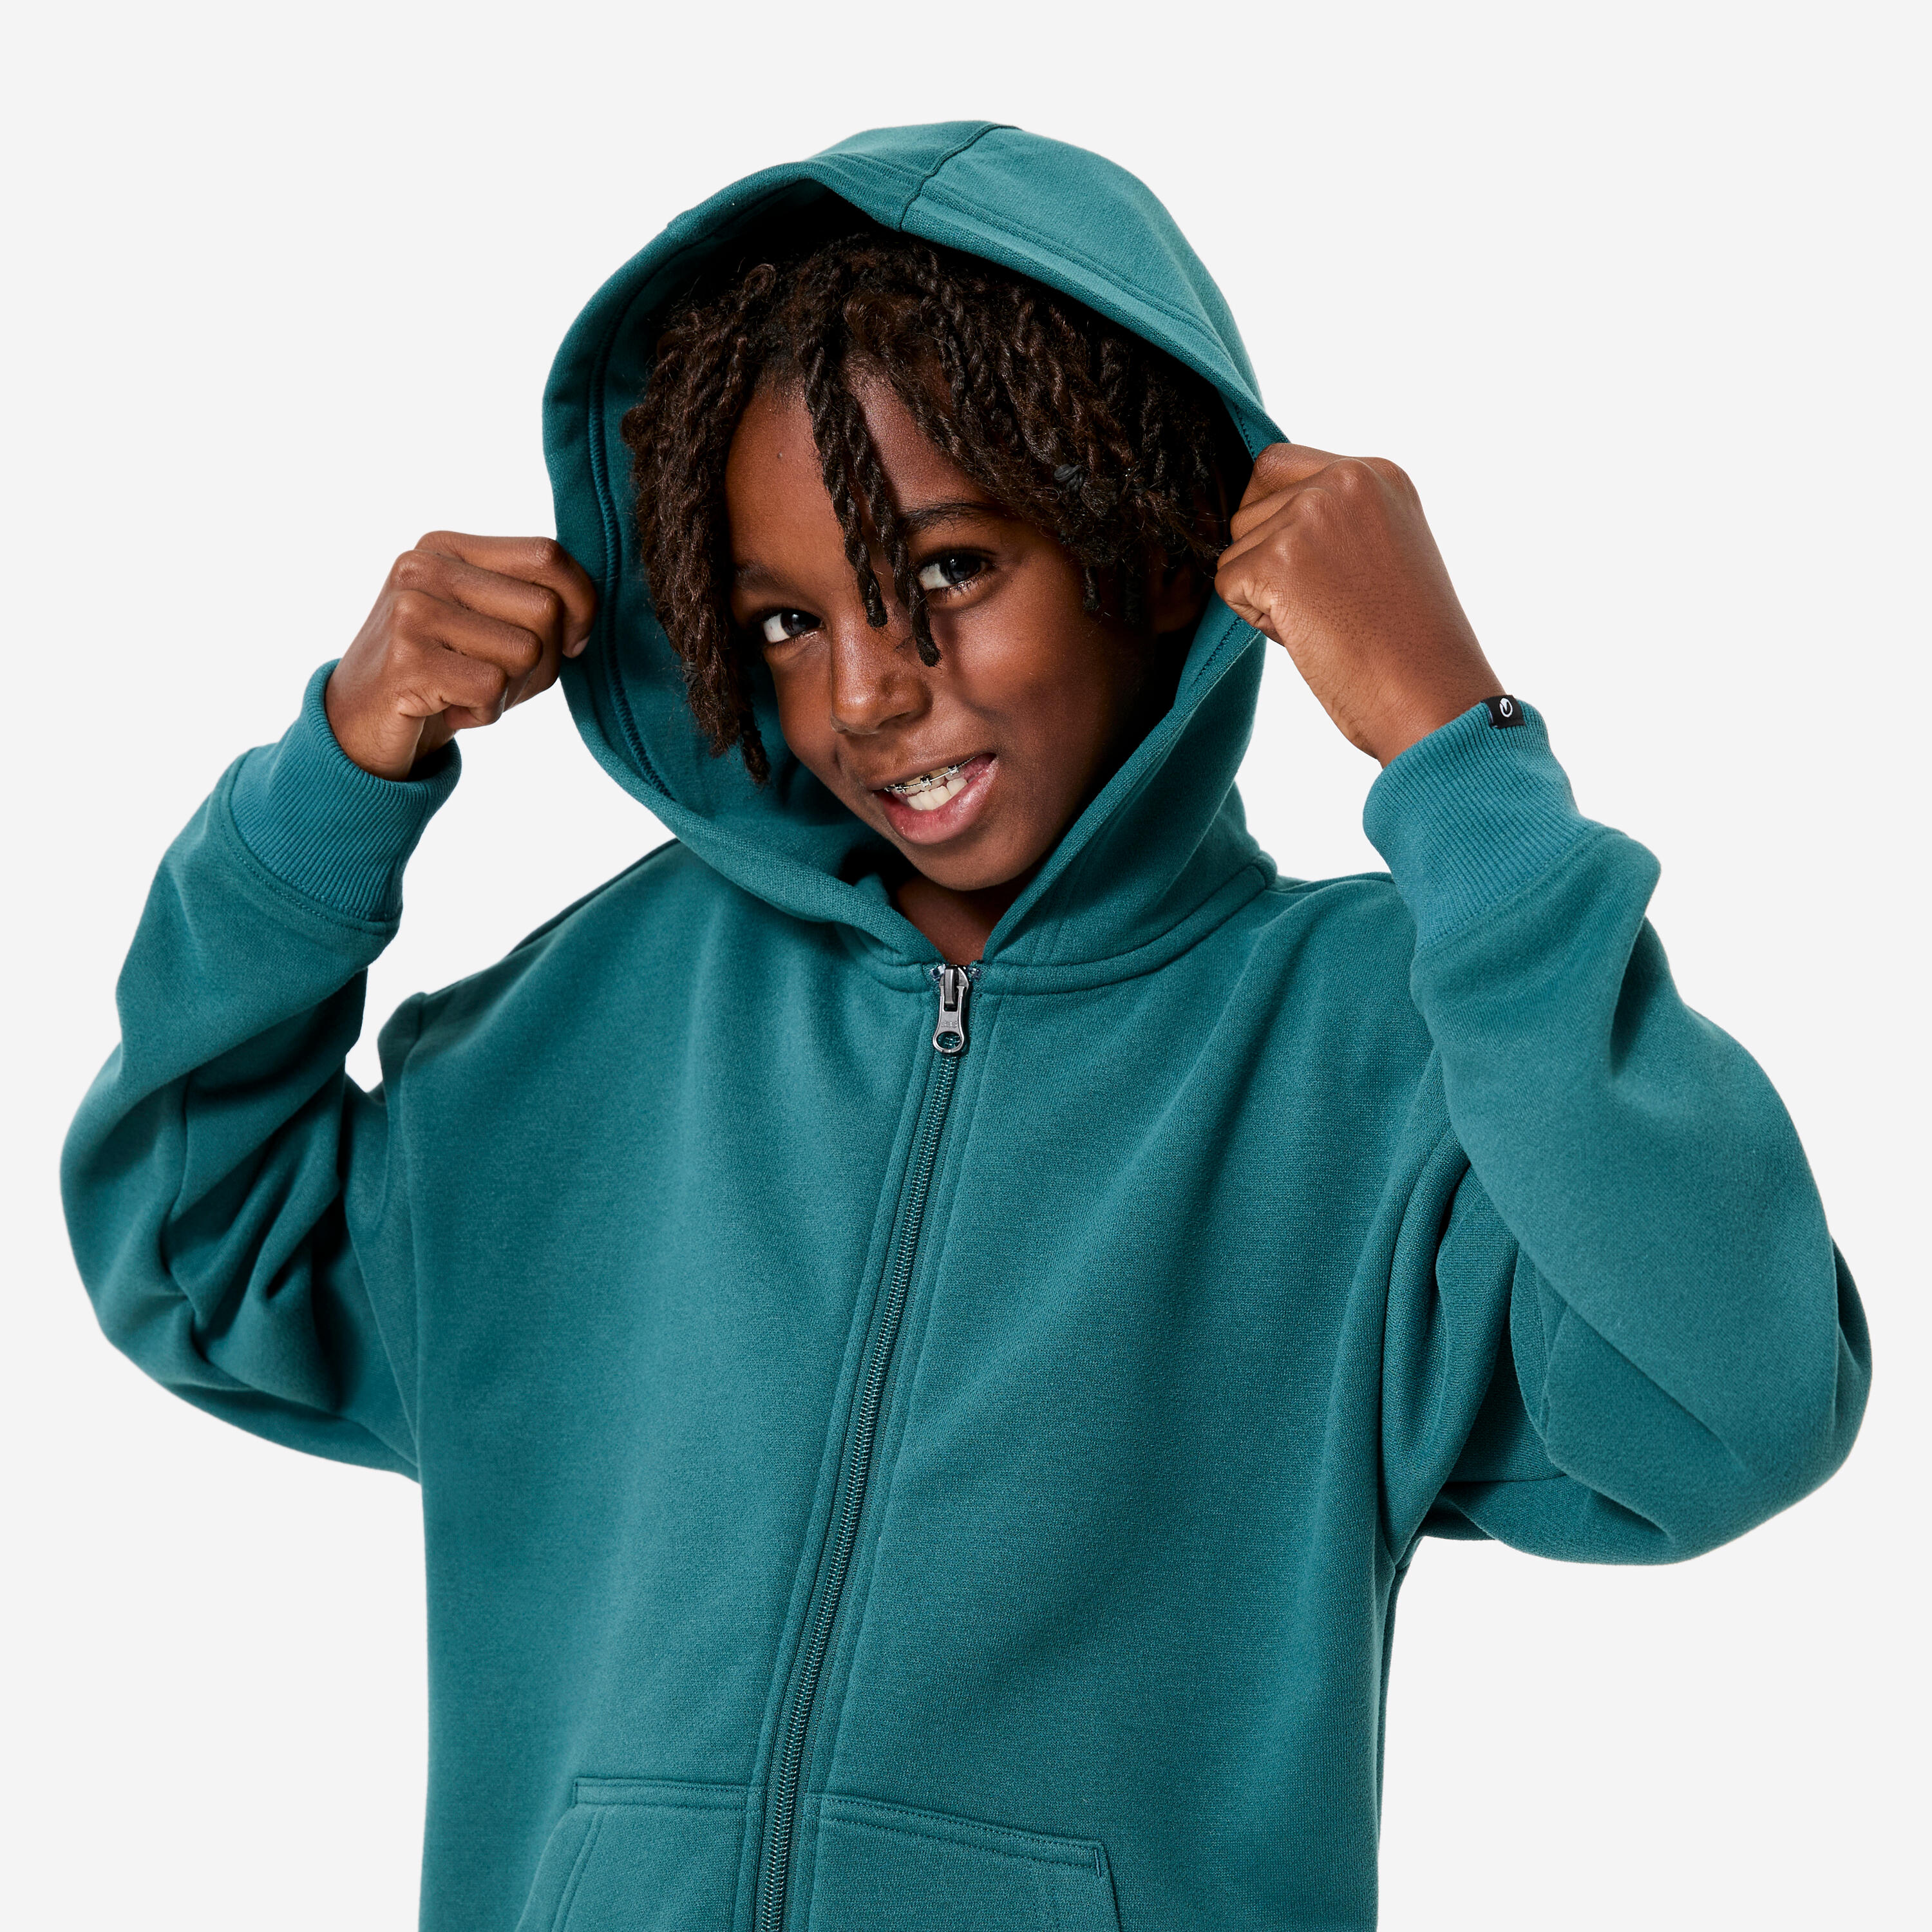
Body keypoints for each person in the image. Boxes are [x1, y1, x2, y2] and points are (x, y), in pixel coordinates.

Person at [61, 122, 1870, 1932]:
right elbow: (198, 1252)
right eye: (787, 619)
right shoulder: (602, 1022)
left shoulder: (1378, 1056)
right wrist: (334, 782)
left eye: (942, 572)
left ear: (1153, 550)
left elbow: (1732, 1404)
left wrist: (1454, 754)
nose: (867, 691)